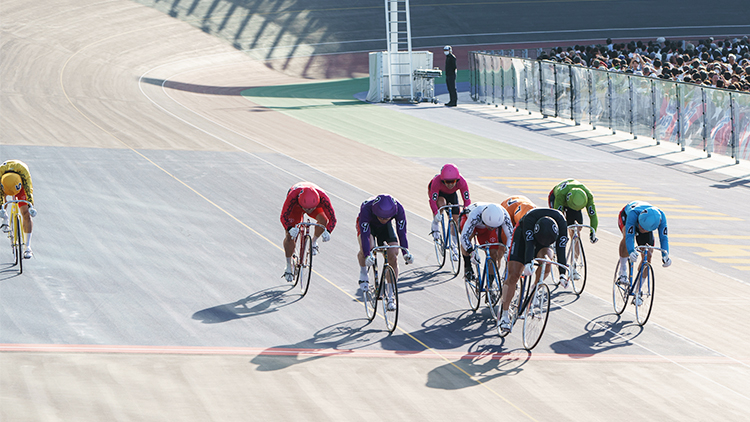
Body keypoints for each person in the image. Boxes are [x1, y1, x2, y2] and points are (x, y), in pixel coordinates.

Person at [498, 208, 568, 333]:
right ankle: (504, 314)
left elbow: (561, 248)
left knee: (548, 260)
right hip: (522, 236)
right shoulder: (530, 219)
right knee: (514, 275)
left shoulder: (562, 222)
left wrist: (563, 274)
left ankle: (535, 286)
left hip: (545, 242)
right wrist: (528, 263)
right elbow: (529, 244)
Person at [357, 194, 412, 310]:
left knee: (393, 255)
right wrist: (367, 255)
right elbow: (365, 235)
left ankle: (391, 295)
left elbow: (401, 232)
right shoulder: (366, 208)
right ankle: (363, 273)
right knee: (368, 246)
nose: (383, 220)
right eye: (381, 217)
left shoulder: (398, 208)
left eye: (386, 218)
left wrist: (406, 252)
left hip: (385, 229)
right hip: (368, 226)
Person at [280, 182, 336, 282]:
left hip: (310, 204)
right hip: (296, 207)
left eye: (311, 209)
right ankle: (288, 266)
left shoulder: (324, 198)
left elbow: (332, 219)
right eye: (306, 209)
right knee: (289, 236)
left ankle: (314, 242)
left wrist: (328, 231)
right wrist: (289, 229)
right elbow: (283, 216)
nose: (308, 211)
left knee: (323, 220)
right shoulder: (292, 197)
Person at [548, 179, 599, 284]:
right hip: (557, 197)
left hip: (574, 202)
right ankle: (555, 245)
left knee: (577, 230)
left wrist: (592, 233)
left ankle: (574, 263)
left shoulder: (588, 196)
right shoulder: (561, 195)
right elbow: (557, 217)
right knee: (559, 227)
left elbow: (593, 216)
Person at [617, 201, 671, 285]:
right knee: (626, 236)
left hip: (647, 221)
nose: (640, 228)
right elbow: (629, 236)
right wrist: (631, 251)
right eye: (640, 226)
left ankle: (638, 289)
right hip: (627, 216)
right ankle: (622, 270)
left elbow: (664, 238)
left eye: (642, 228)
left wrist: (665, 255)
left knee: (648, 254)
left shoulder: (661, 217)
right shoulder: (633, 214)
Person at [459, 203, 513, 282]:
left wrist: (508, 250)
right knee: (469, 236)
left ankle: (489, 286)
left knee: (494, 254)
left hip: (485, 228)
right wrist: (471, 252)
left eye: (494, 227)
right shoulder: (475, 215)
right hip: (468, 220)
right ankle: (467, 267)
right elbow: (464, 237)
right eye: (491, 227)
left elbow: (510, 236)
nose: (492, 228)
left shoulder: (504, 215)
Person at [1, 160, 37, 259]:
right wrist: (2, 210)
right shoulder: (0, 173)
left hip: (21, 185)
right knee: (1, 202)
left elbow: (29, 191)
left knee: (25, 213)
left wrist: (30, 207)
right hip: (5, 184)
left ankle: (28, 247)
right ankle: (5, 219)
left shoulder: (24, 174)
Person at [428, 163, 471, 242]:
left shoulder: (462, 181)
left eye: (453, 181)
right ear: (442, 180)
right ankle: (435, 224)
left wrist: (466, 211)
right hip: (439, 193)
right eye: (447, 182)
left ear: (457, 180)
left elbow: (467, 200)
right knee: (441, 203)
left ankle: (454, 245)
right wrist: (436, 213)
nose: (450, 184)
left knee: (457, 220)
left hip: (451, 194)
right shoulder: (436, 181)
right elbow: (432, 201)